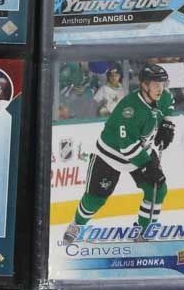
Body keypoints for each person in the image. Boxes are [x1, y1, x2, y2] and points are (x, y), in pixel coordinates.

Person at [63, 64, 175, 244]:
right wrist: (149, 166)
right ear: (144, 85)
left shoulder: (163, 95)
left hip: (141, 150)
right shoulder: (129, 109)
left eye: (162, 84)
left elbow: (169, 104)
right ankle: (76, 224)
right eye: (155, 84)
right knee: (94, 200)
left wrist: (168, 124)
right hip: (110, 155)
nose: (160, 88)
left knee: (157, 189)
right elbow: (127, 147)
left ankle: (143, 232)